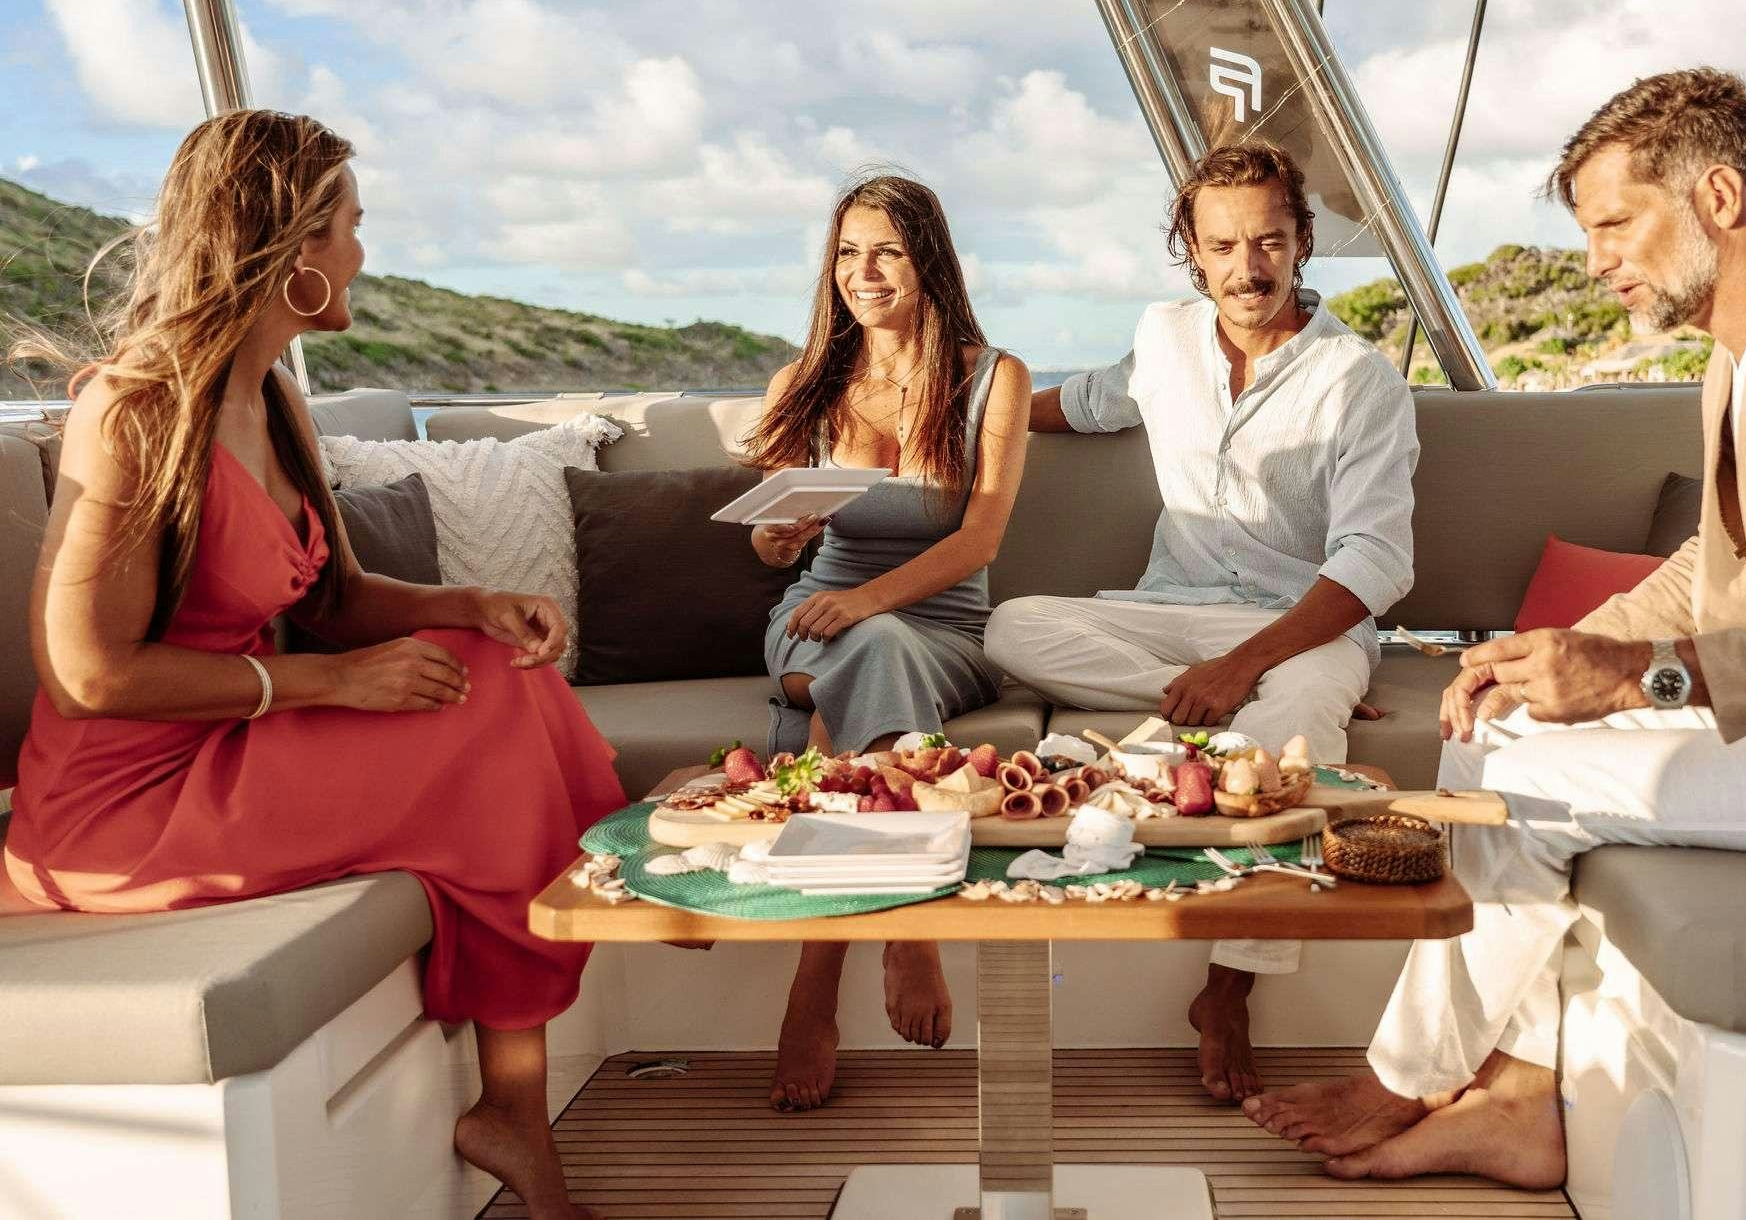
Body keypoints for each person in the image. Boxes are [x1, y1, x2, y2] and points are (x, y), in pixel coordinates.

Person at [1245, 66, 1746, 1187]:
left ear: (1715, 199)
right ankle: (1519, 1102)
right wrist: (1546, 658)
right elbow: (1706, 566)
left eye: (1616, 223)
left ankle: (1405, 1082)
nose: (1595, 259)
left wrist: (1639, 678)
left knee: (1526, 790)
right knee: (1495, 734)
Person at [2, 110, 628, 1220]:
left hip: (232, 743)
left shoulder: (274, 398)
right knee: (482, 723)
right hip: (129, 801)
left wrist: (471, 603)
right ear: (290, 253)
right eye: (350, 227)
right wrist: (328, 686)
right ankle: (520, 1111)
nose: (362, 255)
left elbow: (332, 601)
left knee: (491, 664)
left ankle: (516, 1106)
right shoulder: (140, 405)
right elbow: (85, 674)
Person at [982, 139, 1420, 1102]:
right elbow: (1085, 402)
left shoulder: (1362, 382)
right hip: (1165, 615)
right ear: (1192, 247)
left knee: (1294, 710)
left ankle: (1227, 986)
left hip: (1299, 624)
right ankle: (1248, 727)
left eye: (1269, 241)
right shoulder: (1164, 338)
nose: (1247, 268)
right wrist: (957, 419)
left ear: (1304, 241)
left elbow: (1376, 562)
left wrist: (1253, 663)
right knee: (1013, 626)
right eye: (1223, 245)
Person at [743, 171, 1031, 1112]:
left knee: (883, 650)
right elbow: (769, 534)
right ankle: (909, 921)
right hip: (812, 620)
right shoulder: (806, 381)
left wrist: (871, 601)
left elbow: (980, 539)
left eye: (885, 252)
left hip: (941, 629)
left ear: (928, 263)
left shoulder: (997, 378)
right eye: (846, 252)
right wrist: (778, 538)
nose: (861, 272)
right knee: (865, 648)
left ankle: (813, 982)